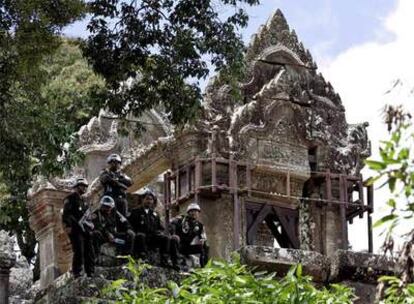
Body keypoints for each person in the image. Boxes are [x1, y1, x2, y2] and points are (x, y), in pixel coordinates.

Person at [128, 189, 173, 268]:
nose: (149, 201)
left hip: (152, 237)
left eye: (151, 199)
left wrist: (160, 232)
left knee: (165, 238)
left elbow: (160, 228)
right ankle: (142, 257)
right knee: (140, 236)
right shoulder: (135, 211)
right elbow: (130, 225)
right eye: (147, 199)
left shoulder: (155, 214)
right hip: (141, 237)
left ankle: (165, 259)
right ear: (142, 199)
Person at [62, 178, 95, 278]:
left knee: (89, 250)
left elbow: (87, 215)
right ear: (77, 186)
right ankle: (77, 272)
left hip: (85, 229)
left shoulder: (84, 201)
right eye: (82, 186)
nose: (84, 188)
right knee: (79, 250)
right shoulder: (70, 198)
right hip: (75, 229)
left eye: (86, 186)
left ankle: (90, 272)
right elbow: (66, 214)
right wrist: (67, 225)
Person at [169, 203, 209, 267]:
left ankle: (204, 267)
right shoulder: (181, 219)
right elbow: (172, 223)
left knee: (205, 246)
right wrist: (173, 234)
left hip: (187, 247)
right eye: (192, 211)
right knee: (174, 240)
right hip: (178, 245)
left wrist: (202, 240)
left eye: (196, 211)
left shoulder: (199, 225)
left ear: (198, 213)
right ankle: (176, 264)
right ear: (188, 212)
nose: (194, 213)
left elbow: (203, 236)